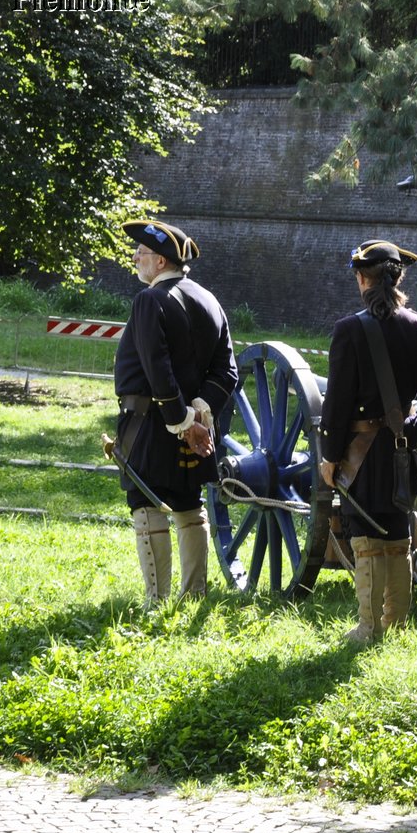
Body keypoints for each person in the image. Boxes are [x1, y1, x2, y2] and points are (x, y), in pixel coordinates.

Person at [319, 240, 417, 644]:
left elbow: (337, 404)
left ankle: (368, 628)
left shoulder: (348, 330)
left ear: (362, 278)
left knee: (365, 534)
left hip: (360, 454)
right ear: (398, 278)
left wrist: (329, 456)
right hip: (402, 453)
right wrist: (412, 439)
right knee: (396, 533)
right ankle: (395, 624)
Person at [112, 219, 239, 607]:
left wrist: (181, 422)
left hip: (152, 424)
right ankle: (194, 595)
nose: (136, 258)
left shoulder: (150, 300)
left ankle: (157, 600)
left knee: (146, 503)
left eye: (142, 253)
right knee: (188, 505)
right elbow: (226, 372)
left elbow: (156, 365)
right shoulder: (210, 300)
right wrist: (200, 412)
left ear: (161, 260)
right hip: (192, 427)